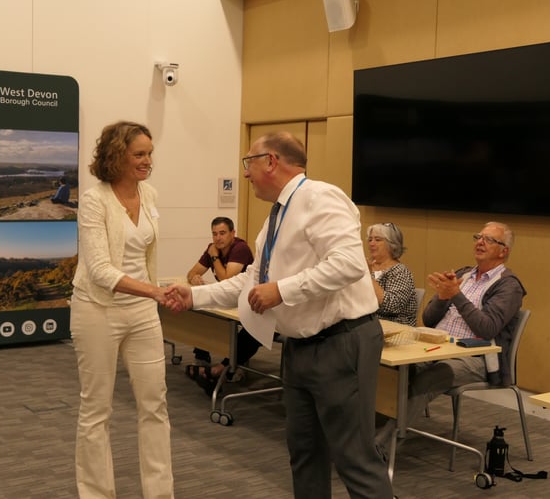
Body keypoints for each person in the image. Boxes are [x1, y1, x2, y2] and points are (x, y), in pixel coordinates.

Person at [165, 131, 393, 499]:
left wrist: (282, 290)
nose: (245, 174)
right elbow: (251, 284)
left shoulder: (321, 197)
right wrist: (194, 296)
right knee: (304, 454)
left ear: (271, 161)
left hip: (342, 341)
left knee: (355, 459)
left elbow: (349, 265)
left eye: (248, 163)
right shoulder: (275, 218)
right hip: (300, 349)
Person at [69, 121, 173, 499]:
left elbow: (145, 256)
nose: (148, 162)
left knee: (155, 405)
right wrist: (156, 292)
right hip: (97, 310)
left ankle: (160, 494)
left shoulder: (151, 195)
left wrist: (151, 295)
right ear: (117, 157)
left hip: (143, 313)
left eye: (149, 154)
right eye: (139, 154)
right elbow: (99, 270)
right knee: (97, 410)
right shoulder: (95, 199)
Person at [377, 221, 526, 448]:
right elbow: (428, 320)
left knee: (428, 379)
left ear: (504, 250)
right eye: (478, 237)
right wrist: (443, 296)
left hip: (476, 358)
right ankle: (365, 436)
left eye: (488, 239)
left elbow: (487, 329)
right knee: (388, 372)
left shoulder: (508, 286)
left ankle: (380, 447)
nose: (480, 242)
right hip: (437, 347)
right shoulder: (463, 274)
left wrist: (456, 296)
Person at [184, 216, 259, 392]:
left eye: (223, 233)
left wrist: (215, 257)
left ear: (233, 233)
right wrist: (194, 277)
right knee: (202, 308)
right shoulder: (212, 249)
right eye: (215, 234)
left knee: (250, 328)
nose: (218, 238)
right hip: (230, 300)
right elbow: (192, 271)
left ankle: (228, 367)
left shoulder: (239, 248)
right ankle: (202, 360)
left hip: (247, 301)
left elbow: (227, 279)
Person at [366, 222, 418, 326]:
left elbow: (392, 306)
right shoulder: (366, 266)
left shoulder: (400, 271)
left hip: (395, 330)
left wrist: (367, 275)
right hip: (368, 326)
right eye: (370, 239)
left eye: (377, 240)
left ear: (392, 244)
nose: (371, 243)